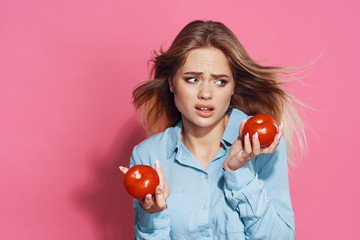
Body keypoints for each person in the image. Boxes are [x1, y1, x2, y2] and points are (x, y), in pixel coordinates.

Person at [119, 20, 305, 240]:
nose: (205, 93)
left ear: (233, 85)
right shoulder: (148, 155)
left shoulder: (260, 145)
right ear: (171, 83)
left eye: (220, 82)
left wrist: (240, 172)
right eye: (192, 79)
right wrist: (152, 216)